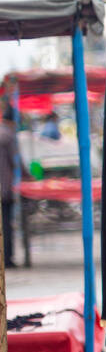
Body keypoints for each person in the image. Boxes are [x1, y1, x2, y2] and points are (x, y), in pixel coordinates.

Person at [0, 106, 26, 268]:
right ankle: (7, 259)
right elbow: (16, 162)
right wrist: (28, 176)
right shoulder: (8, 136)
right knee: (6, 226)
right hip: (4, 189)